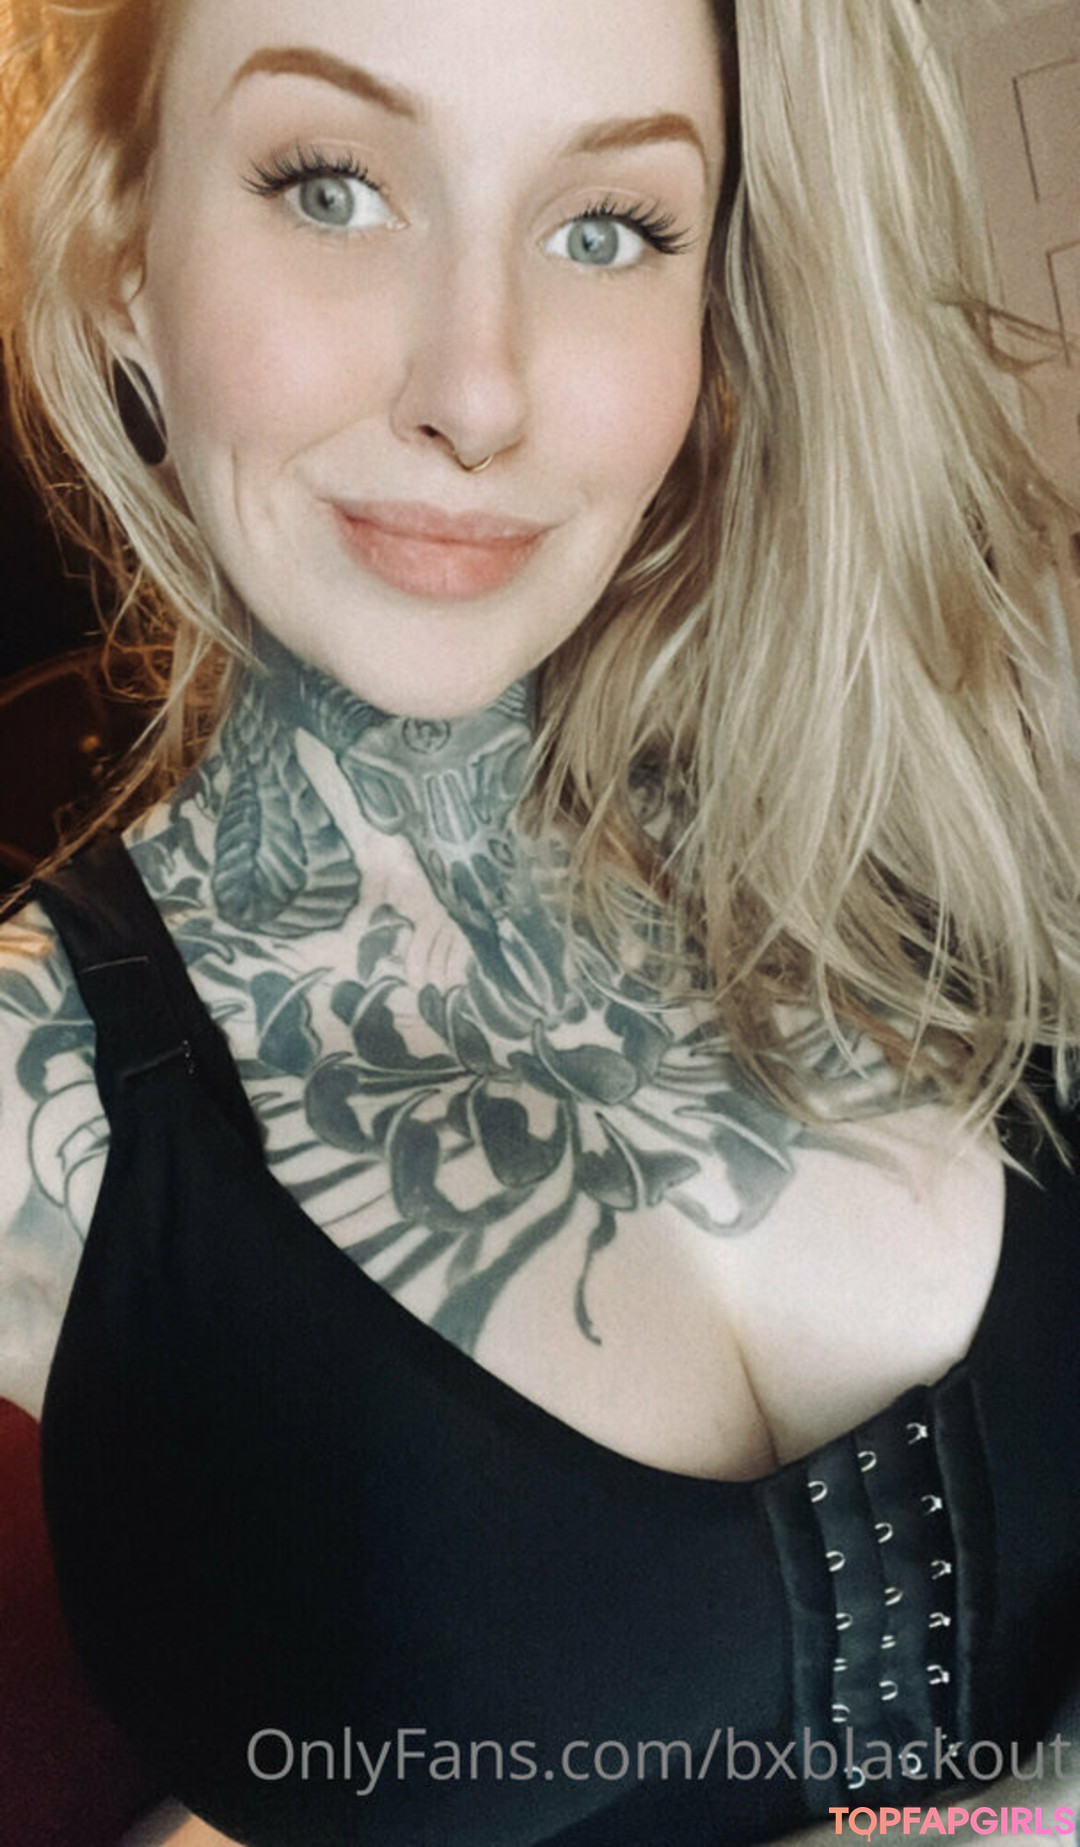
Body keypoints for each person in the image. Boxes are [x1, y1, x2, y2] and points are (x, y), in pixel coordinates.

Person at [1, 0, 1079, 1843]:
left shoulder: (966, 789)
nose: (478, 391)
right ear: (120, 258)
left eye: (608, 227)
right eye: (331, 188)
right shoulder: (35, 1093)